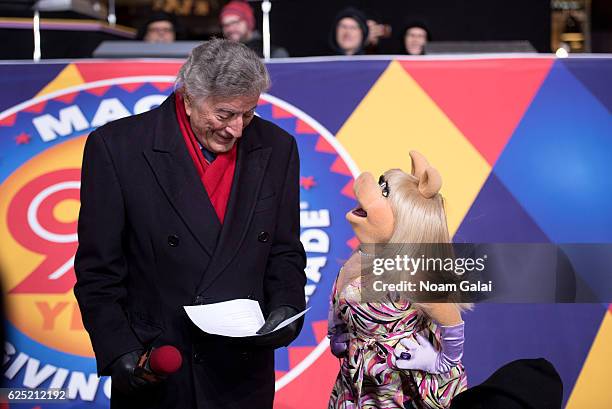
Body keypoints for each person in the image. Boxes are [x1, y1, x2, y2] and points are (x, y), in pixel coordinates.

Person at [74, 39, 306, 409]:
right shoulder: (117, 148)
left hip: (243, 374)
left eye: (248, 114)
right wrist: (121, 353)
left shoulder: (278, 148)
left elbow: (284, 251)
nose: (237, 130)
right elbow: (97, 273)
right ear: (188, 95)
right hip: (160, 368)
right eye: (225, 114)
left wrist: (287, 308)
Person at [327, 151, 469, 408]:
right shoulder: (363, 257)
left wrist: (441, 362)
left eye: (384, 193)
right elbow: (342, 294)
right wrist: (337, 331)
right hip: (361, 378)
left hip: (402, 385)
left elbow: (452, 321)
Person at [220, 0, 289, 58]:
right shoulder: (222, 55)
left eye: (235, 22)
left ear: (248, 22)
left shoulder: (274, 53)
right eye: (225, 25)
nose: (230, 29)